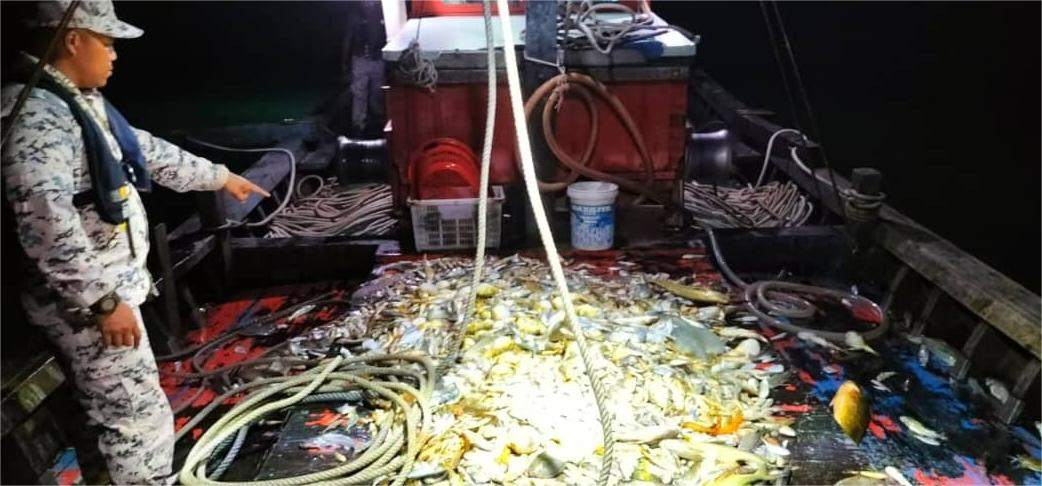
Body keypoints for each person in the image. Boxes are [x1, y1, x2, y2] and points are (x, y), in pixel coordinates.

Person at [0, 1, 269, 484]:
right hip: (85, 304)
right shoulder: (37, 117)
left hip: (102, 293)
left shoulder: (76, 102)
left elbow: (144, 150)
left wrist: (219, 177)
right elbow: (45, 221)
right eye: (106, 42)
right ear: (73, 40)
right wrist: (103, 301)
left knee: (101, 417)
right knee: (135, 418)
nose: (114, 55)